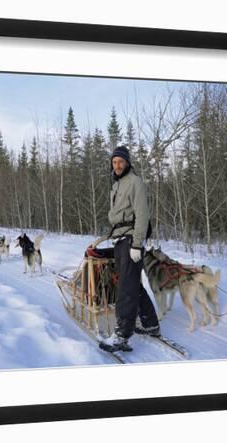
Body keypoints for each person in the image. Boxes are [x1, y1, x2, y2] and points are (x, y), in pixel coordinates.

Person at [102, 145, 160, 352]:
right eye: (114, 162)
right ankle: (150, 322)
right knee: (132, 284)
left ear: (127, 163)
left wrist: (137, 243)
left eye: (121, 162)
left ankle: (121, 335)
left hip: (130, 240)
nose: (117, 165)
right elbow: (117, 219)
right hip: (119, 239)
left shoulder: (135, 182)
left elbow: (142, 215)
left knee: (126, 289)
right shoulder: (116, 186)